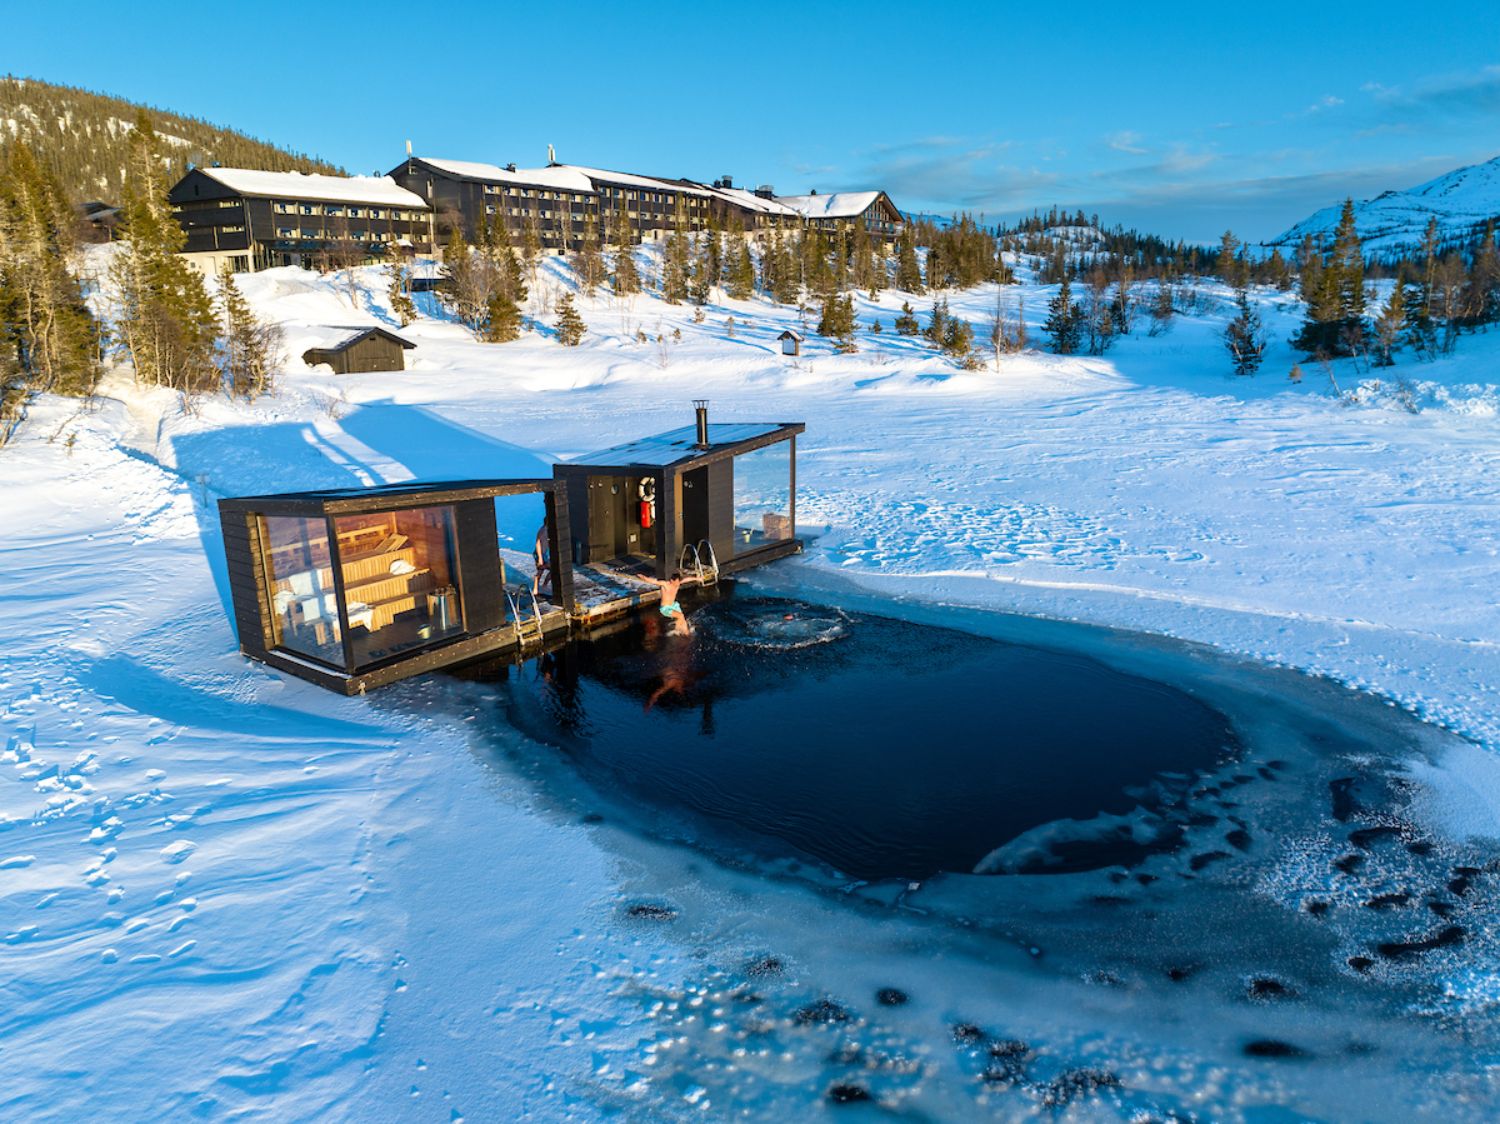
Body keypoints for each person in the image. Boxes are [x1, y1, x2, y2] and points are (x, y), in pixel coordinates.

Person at [639, 570, 691, 636]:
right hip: (665, 608)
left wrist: (698, 578)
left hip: (673, 605)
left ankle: (686, 633)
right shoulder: (665, 584)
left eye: (679, 582)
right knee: (680, 616)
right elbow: (653, 581)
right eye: (677, 582)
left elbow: (687, 579)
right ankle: (677, 630)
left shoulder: (677, 583)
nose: (678, 584)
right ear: (672, 580)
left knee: (683, 620)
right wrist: (643, 577)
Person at [532, 522, 551, 596]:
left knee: (553, 570)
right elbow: (538, 543)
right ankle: (536, 588)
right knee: (540, 570)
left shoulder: (547, 529)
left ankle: (544, 585)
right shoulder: (544, 530)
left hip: (544, 553)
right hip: (540, 554)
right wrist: (540, 557)